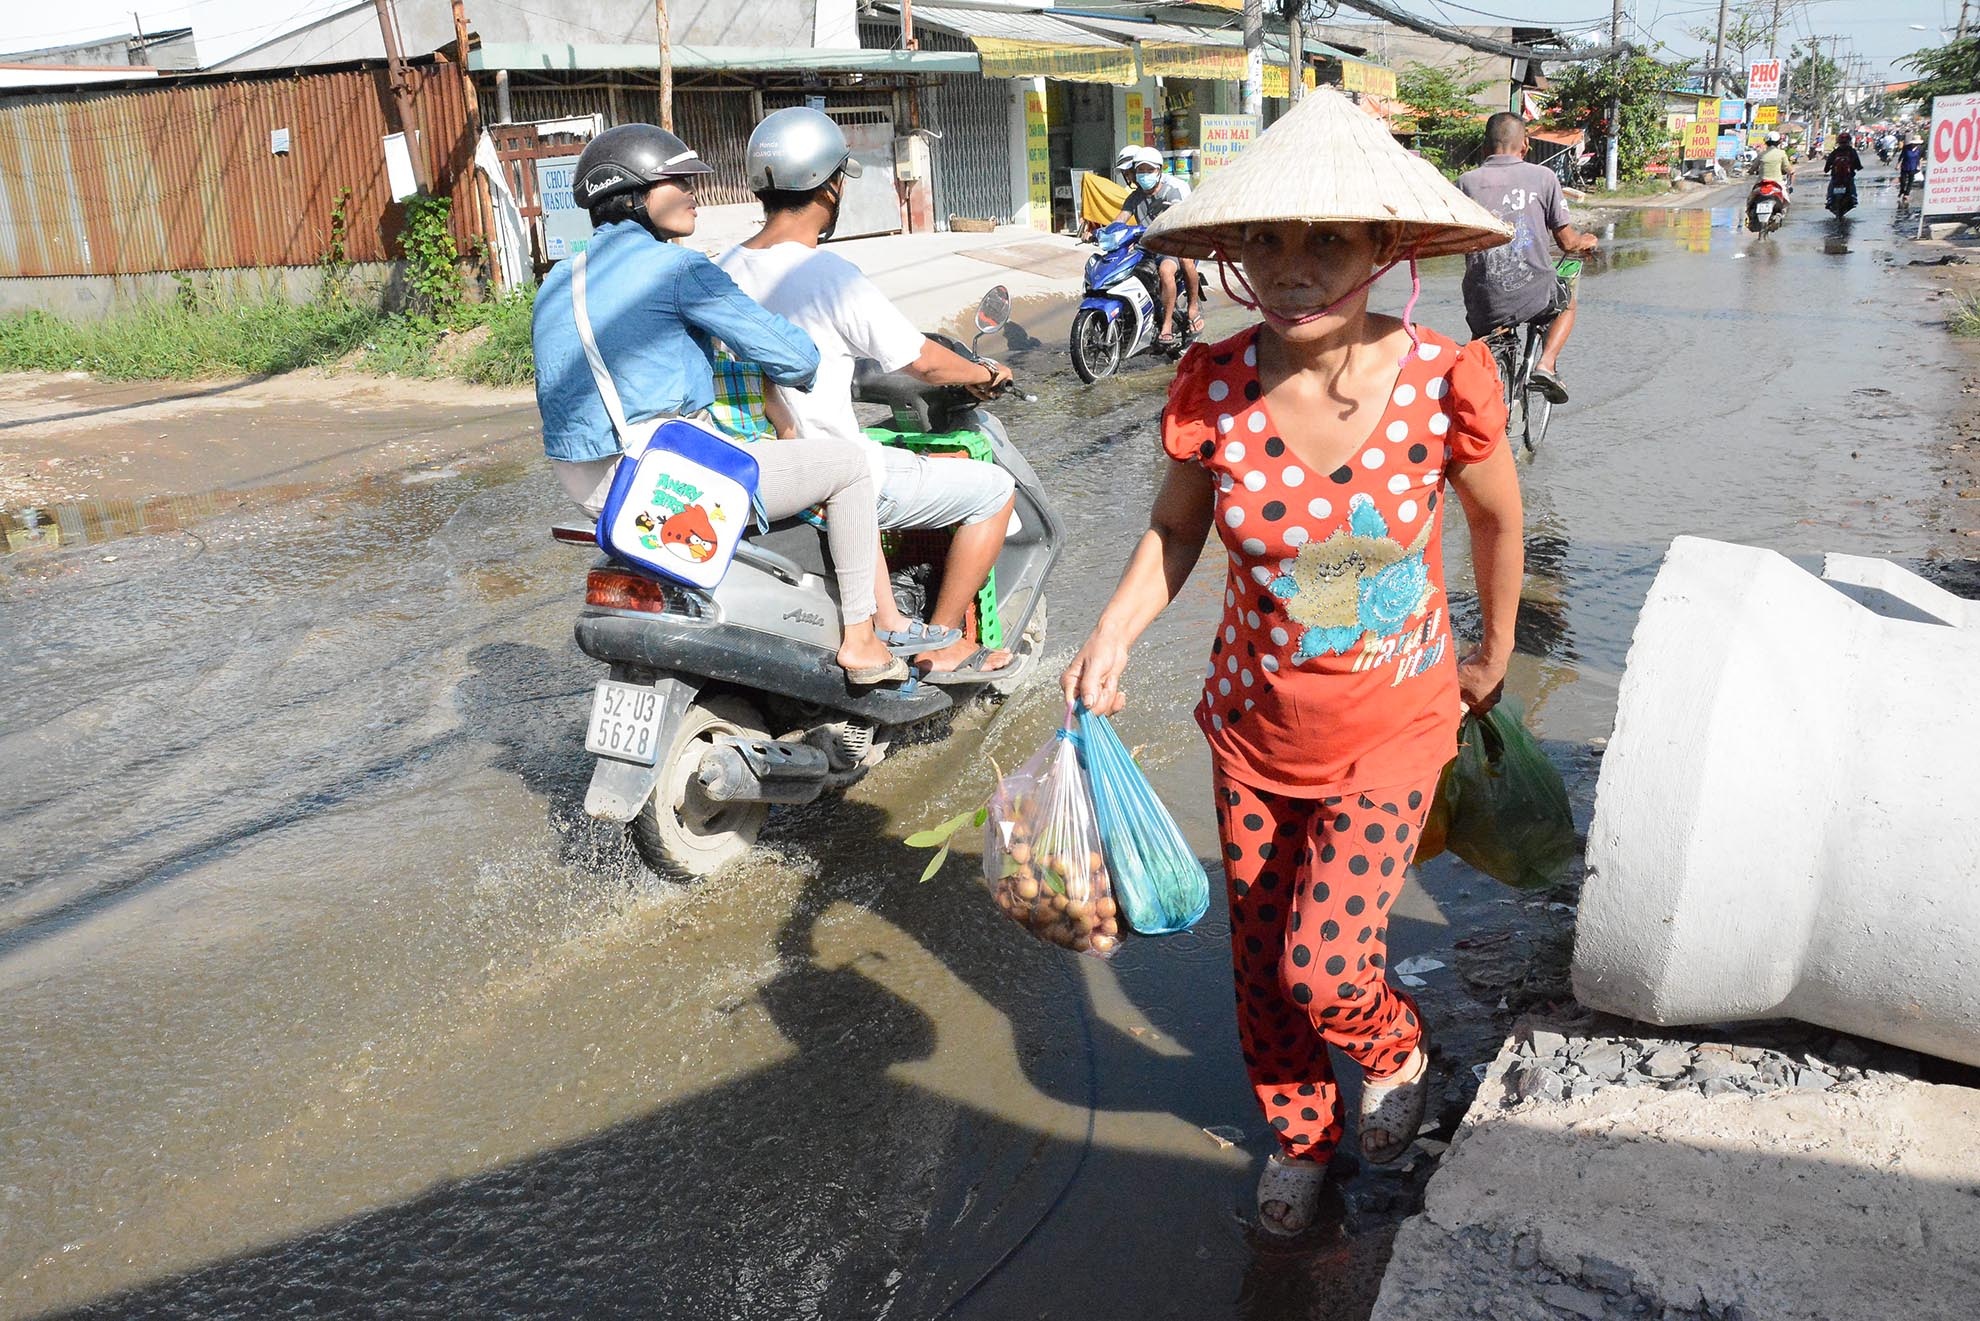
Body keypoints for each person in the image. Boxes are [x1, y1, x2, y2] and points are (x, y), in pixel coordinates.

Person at [1061, 86, 1524, 1239]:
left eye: (1328, 239)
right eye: (1266, 238)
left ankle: (1395, 1044)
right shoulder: (1214, 385)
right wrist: (1113, 632)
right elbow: (1177, 533)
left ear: (1385, 248)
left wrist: (1495, 648)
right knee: (1262, 966)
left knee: (1325, 962)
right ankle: (1301, 1135)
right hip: (1253, 729)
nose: (1292, 266)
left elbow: (1497, 524)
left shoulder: (1441, 382)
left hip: (1394, 727)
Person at [531, 123, 909, 686]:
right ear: (634, 194)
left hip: (590, 489)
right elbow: (794, 359)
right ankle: (862, 638)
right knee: (849, 467)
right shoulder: (679, 269)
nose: (693, 194)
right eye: (677, 182)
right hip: (667, 475)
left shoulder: (557, 280)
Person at [717, 106, 1019, 680]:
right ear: (831, 187)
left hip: (762, 463)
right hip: (824, 471)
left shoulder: (721, 268)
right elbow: (924, 362)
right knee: (993, 490)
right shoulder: (829, 274)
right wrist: (985, 375)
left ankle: (892, 624)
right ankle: (949, 640)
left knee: (861, 454)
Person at [1456, 113, 1599, 405]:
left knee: (1482, 347)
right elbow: (1567, 242)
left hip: (1483, 299)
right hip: (1534, 294)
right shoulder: (1544, 177)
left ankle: (1472, 394)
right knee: (1568, 302)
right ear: (1525, 145)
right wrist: (1586, 241)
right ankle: (1545, 364)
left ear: (1485, 148)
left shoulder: (1464, 183)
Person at [1119, 145, 1202, 345]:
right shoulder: (1134, 197)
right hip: (1148, 245)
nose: (1143, 175)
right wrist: (1101, 232)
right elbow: (1120, 220)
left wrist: (1174, 212)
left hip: (1174, 242)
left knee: (1167, 270)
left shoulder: (1173, 189)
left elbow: (1180, 213)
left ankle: (1175, 320)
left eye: (1149, 170)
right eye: (1140, 170)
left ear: (1159, 171)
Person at [1748, 131, 1794, 227]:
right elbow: (1789, 170)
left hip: (1761, 183)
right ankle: (1781, 215)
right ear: (1778, 142)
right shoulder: (1781, 153)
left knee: (1750, 200)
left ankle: (1750, 216)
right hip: (1777, 183)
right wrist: (1790, 184)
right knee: (1786, 202)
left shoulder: (1762, 154)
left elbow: (1753, 168)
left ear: (1766, 142)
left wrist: (1750, 172)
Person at [1825, 129, 1864, 208]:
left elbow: (1828, 163)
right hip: (1847, 176)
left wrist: (1826, 169)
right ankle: (1853, 197)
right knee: (1851, 185)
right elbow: (1857, 163)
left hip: (1837, 176)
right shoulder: (1851, 151)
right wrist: (1859, 167)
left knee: (1832, 185)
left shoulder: (1835, 152)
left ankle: (1829, 198)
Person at [1899, 134, 1925, 201]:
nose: (1916, 144)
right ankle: (1902, 190)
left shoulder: (1920, 149)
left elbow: (1921, 157)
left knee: (1910, 181)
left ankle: (1906, 194)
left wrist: (1920, 165)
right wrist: (1898, 164)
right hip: (1905, 165)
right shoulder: (1906, 147)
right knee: (1903, 181)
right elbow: (1902, 156)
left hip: (1913, 166)